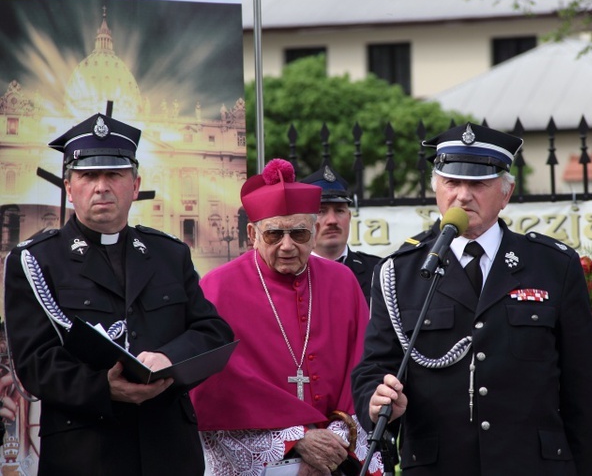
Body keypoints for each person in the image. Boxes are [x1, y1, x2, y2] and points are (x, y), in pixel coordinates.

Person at [351, 122, 592, 475]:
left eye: (478, 184)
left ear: (506, 193)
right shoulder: (400, 272)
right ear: (436, 188)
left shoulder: (552, 265)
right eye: (451, 182)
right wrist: (376, 399)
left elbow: (585, 387)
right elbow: (374, 368)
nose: (462, 195)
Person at [2, 111, 235, 476]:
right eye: (88, 175)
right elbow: (35, 363)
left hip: (170, 452)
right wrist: (103, 387)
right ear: (69, 186)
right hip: (84, 455)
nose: (101, 186)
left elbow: (212, 332)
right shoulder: (35, 260)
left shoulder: (169, 254)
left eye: (114, 174)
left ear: (135, 184)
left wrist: (167, 359)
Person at [190, 159, 384, 476]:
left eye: (299, 233)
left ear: (315, 230)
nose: (287, 246)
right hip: (260, 460)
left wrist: (335, 440)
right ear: (252, 233)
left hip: (338, 457)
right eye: (274, 234)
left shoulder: (342, 281)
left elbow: (364, 367)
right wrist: (296, 441)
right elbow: (215, 392)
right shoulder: (217, 288)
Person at [301, 164, 382, 304]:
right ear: (305, 221)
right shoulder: (292, 273)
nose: (332, 220)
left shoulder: (378, 272)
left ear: (349, 216)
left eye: (339, 211)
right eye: (321, 211)